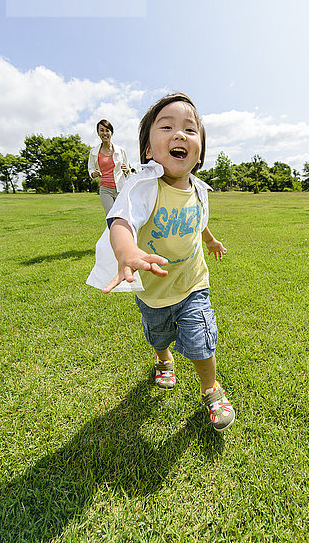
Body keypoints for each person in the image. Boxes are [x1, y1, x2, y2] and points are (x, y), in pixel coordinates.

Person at [87, 93, 235, 432]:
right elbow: (120, 221)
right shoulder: (142, 188)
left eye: (190, 129)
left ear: (199, 151)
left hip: (192, 282)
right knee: (158, 336)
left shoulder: (199, 190)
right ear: (149, 150)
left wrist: (210, 239)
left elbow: (198, 219)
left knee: (201, 339)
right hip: (153, 292)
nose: (180, 134)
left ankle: (211, 389)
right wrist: (127, 252)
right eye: (166, 127)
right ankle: (162, 358)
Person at [88, 119, 130, 214]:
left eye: (107, 130)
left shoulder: (120, 150)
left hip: (120, 187)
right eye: (101, 130)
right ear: (98, 133)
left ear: (111, 133)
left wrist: (126, 170)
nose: (104, 133)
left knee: (122, 215)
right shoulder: (94, 152)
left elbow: (128, 169)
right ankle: (111, 229)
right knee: (111, 215)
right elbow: (90, 168)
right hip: (105, 188)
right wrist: (93, 174)